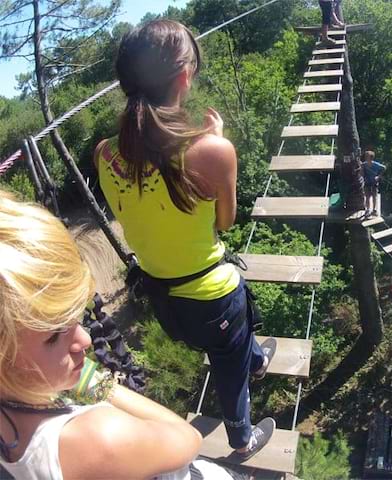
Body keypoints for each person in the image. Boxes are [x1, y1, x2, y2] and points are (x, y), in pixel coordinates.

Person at [94, 20, 276, 459]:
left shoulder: (104, 153)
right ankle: (241, 437)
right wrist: (214, 143)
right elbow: (226, 222)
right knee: (228, 365)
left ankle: (254, 357)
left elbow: (142, 215)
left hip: (165, 300)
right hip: (211, 299)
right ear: (183, 78)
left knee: (236, 343)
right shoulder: (210, 151)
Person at [0, 190, 235, 479]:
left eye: (76, 319)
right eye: (53, 337)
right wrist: (95, 383)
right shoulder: (98, 439)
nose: (85, 340)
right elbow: (187, 438)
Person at [362, 150, 386, 217]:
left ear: (371, 158)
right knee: (367, 197)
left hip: (374, 182)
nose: (366, 157)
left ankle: (374, 210)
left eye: (367, 156)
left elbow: (384, 168)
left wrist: (378, 176)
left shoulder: (376, 164)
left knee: (374, 196)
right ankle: (367, 210)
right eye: (366, 156)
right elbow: (361, 172)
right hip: (367, 182)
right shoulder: (364, 164)